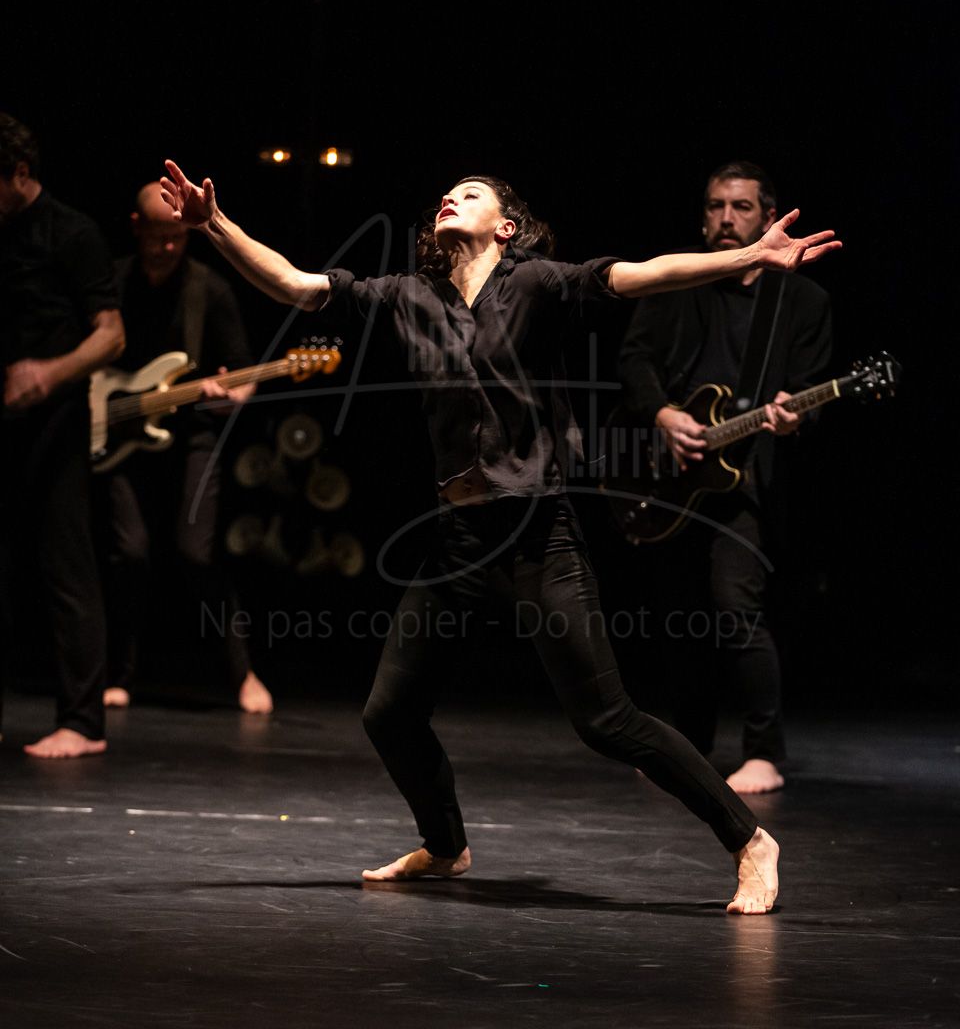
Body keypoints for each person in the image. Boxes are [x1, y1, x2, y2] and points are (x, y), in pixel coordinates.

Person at [158, 157, 841, 914]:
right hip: (456, 538)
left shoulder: (538, 284)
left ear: (506, 226)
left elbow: (643, 274)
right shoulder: (406, 295)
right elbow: (294, 284)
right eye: (447, 192)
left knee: (606, 721)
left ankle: (751, 840)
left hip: (536, 533)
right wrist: (213, 225)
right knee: (389, 712)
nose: (450, 196)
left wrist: (749, 258)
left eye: (472, 193)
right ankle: (445, 845)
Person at [617, 161, 833, 793]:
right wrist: (663, 413)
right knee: (680, 615)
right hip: (673, 473)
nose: (726, 218)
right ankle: (688, 746)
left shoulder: (802, 301)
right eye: (715, 206)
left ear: (768, 217)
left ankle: (764, 752)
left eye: (740, 207)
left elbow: (810, 393)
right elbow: (634, 358)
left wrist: (795, 416)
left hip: (746, 478)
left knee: (736, 608)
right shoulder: (677, 283)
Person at [97, 182, 273, 714]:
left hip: (193, 433)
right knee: (128, 554)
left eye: (176, 237)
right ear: (136, 228)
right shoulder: (111, 282)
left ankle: (243, 673)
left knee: (197, 553)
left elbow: (244, 375)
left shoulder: (208, 290)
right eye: (158, 236)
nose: (168, 246)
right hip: (117, 435)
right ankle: (119, 673)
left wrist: (230, 398)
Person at [0, 112, 125, 757]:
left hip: (54, 424)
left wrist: (47, 375)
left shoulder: (72, 232)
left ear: (19, 172)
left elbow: (112, 335)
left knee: (66, 568)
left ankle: (82, 723)